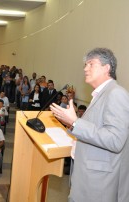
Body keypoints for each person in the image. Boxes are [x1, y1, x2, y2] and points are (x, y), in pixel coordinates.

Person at [50, 48, 129, 202]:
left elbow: (115, 140)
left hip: (100, 185)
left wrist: (75, 123)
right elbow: (94, 131)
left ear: (107, 68)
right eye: (85, 65)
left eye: (91, 64)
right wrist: (70, 124)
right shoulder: (100, 95)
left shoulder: (116, 94)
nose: (85, 69)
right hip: (87, 177)